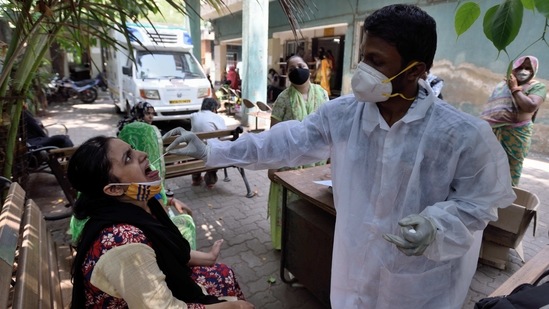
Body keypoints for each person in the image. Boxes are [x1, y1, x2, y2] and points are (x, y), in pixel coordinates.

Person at [163, 4, 516, 308]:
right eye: (363, 57)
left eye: (376, 61)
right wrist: (214, 150)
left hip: (421, 285)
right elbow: (286, 142)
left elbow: (480, 202)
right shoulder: (346, 114)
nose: (362, 70)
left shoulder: (461, 135)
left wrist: (437, 225)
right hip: (355, 275)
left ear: (416, 70)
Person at [68, 136, 254, 308]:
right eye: (128, 158)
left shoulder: (146, 203)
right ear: (115, 189)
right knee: (226, 284)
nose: (143, 154)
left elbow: (170, 252)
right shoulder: (124, 243)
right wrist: (234, 306)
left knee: (224, 272)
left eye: (132, 149)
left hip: (158, 290)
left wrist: (209, 258)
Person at [267, 55, 329, 249]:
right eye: (291, 68)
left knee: (311, 205)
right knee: (289, 203)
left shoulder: (322, 94)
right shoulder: (283, 98)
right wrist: (272, 165)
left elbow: (330, 127)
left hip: (316, 162)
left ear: (308, 69)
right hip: (289, 161)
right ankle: (287, 244)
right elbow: (274, 133)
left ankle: (307, 244)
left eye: (300, 65)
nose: (297, 69)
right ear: (287, 74)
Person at [481, 55, 547, 186]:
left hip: (516, 135)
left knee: (509, 172)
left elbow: (530, 106)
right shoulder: (501, 85)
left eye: (528, 68)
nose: (523, 71)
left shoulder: (538, 87)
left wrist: (514, 88)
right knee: (485, 168)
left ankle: (504, 203)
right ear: (513, 69)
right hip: (491, 132)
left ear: (534, 71)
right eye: (520, 67)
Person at [190, 98, 227, 188]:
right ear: (214, 108)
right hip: (210, 153)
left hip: (195, 152)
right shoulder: (217, 118)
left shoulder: (193, 116)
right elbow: (224, 136)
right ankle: (210, 180)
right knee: (215, 149)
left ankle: (196, 178)